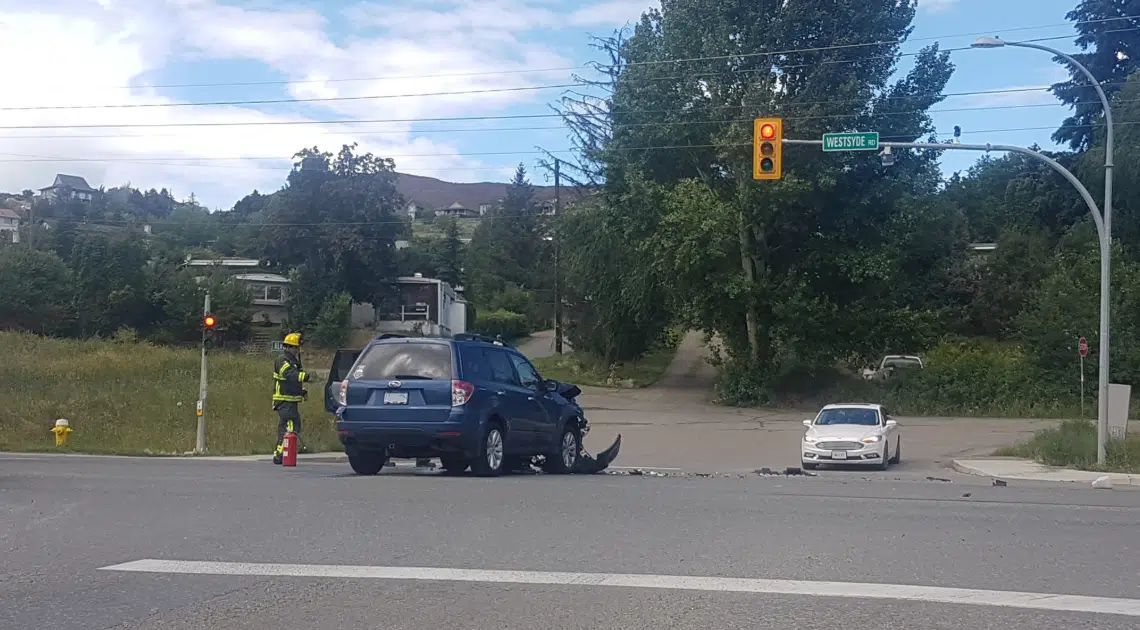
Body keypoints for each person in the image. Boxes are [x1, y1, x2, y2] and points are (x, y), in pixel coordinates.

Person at [272, 332, 311, 465]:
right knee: (290, 426)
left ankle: (280, 453)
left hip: (291, 400)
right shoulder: (282, 360)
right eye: (296, 348)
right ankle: (281, 454)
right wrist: (304, 376)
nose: (297, 350)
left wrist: (302, 392)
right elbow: (288, 374)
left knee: (291, 426)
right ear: (289, 347)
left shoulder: (293, 361)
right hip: (284, 400)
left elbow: (293, 382)